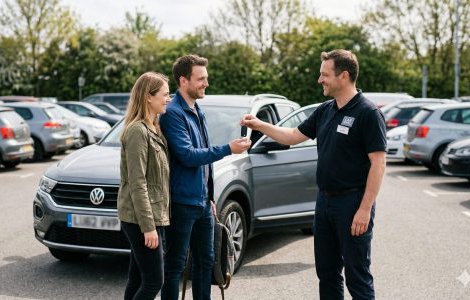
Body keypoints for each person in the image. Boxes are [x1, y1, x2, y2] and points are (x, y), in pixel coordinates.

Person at [242, 49, 386, 300]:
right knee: (327, 272)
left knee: (357, 275)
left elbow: (378, 164)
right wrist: (259, 125)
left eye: (324, 74)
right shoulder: (325, 110)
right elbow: (293, 136)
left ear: (343, 76)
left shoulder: (368, 113)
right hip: (324, 202)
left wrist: (365, 209)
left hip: (353, 204)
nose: (320, 80)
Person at [159, 54, 251, 300]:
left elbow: (205, 162)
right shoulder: (173, 113)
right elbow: (188, 156)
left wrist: (210, 196)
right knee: (176, 264)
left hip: (202, 203)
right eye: (200, 79)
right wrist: (228, 149)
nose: (206, 84)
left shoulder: (198, 110)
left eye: (206, 78)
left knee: (207, 261)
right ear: (183, 80)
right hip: (181, 202)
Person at [117, 72, 171, 300]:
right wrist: (148, 227)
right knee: (154, 282)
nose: (169, 99)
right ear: (149, 97)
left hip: (151, 215)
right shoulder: (138, 131)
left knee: (138, 278)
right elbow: (137, 183)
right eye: (165, 94)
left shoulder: (154, 128)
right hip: (140, 219)